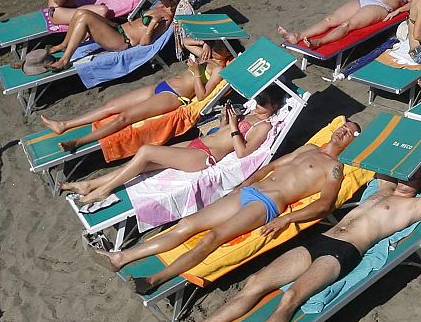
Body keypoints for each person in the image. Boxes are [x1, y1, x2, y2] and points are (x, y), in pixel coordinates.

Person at [151, 161, 421, 322]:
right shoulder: (382, 190)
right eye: (404, 173)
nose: (404, 177)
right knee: (256, 282)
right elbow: (386, 160)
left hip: (344, 252)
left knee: (292, 297)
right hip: (320, 241)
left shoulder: (414, 206)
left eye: (412, 175)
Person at [92, 123, 362, 295]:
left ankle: (154, 279)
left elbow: (324, 204)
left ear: (351, 142)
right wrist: (244, 183)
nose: (342, 131)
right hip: (248, 192)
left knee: (213, 238)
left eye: (349, 133)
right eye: (343, 126)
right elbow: (271, 167)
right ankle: (120, 258)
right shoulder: (309, 147)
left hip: (266, 204)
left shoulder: (334, 168)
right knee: (187, 225)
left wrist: (287, 219)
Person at [62, 86, 288, 206]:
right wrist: (225, 118)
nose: (257, 107)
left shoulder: (265, 127)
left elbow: (242, 152)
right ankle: (88, 185)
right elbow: (223, 132)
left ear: (274, 106)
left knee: (146, 151)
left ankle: (103, 190)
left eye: (263, 105)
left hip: (203, 156)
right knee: (142, 163)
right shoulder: (250, 113)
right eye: (258, 102)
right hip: (197, 144)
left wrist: (233, 126)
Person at [27, 0, 183, 81]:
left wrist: (152, 24)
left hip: (123, 41)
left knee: (85, 18)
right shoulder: (159, 6)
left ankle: (65, 60)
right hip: (118, 29)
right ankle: (62, 45)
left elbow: (145, 43)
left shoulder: (165, 18)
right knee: (81, 13)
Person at [278, 0, 413, 50]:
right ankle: (298, 36)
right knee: (330, 19)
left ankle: (320, 42)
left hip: (381, 7)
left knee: (347, 24)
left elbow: (414, 3)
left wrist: (398, 11)